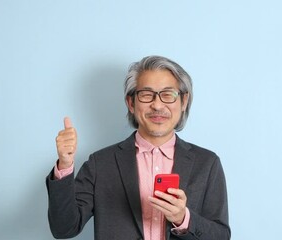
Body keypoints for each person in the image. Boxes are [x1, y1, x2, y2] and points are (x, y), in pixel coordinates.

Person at [45, 55, 230, 240]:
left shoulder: (207, 164)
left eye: (168, 94)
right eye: (146, 94)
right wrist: (65, 165)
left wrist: (183, 219)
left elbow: (221, 236)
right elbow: (63, 229)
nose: (157, 105)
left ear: (183, 101)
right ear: (131, 103)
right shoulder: (100, 164)